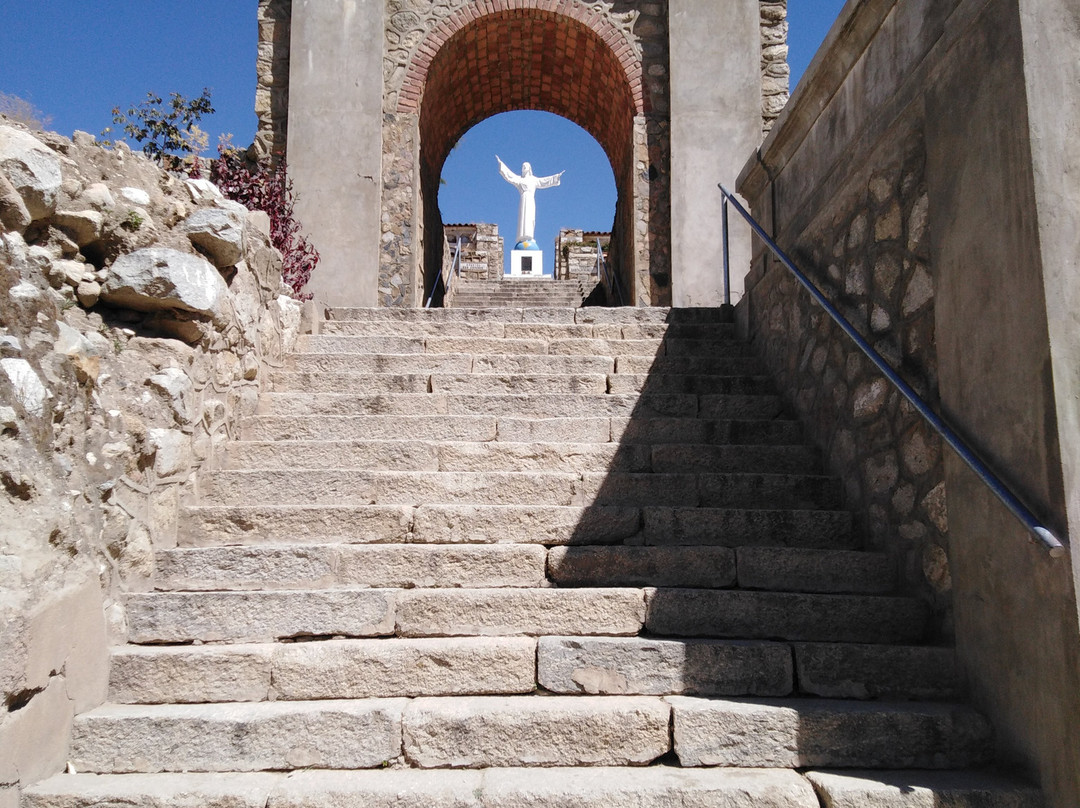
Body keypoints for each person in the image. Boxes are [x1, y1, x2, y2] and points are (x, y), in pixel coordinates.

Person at [496, 156, 564, 245]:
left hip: (530, 200)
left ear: (529, 168)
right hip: (523, 199)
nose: (523, 168)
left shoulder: (533, 180)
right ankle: (522, 237)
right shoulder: (519, 179)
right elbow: (510, 175)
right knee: (522, 217)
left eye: (525, 166)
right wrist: (501, 164)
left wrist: (556, 177)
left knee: (530, 218)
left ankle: (529, 236)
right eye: (522, 166)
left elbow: (544, 181)